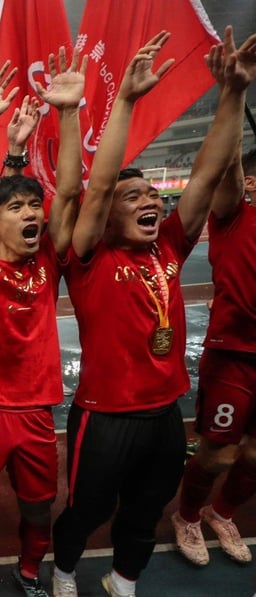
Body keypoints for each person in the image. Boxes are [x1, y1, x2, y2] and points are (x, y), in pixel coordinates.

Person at [50, 29, 252, 597]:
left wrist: (233, 93)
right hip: (105, 416)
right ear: (109, 214)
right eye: (133, 198)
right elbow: (97, 189)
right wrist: (126, 101)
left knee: (146, 510)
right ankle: (64, 571)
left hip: (164, 416)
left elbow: (209, 173)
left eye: (153, 197)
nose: (151, 202)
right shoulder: (87, 255)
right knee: (88, 508)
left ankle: (123, 580)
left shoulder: (169, 245)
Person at [0, 50, 84, 597]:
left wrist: (67, 114)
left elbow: (71, 192)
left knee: (39, 504)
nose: (32, 213)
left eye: (35, 206)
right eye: (18, 207)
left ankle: (29, 571)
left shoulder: (47, 261)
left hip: (34, 410)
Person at [171, 38, 256, 566]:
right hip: (234, 354)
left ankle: (223, 515)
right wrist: (233, 91)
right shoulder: (235, 214)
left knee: (253, 456)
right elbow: (223, 168)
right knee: (218, 452)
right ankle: (187, 516)